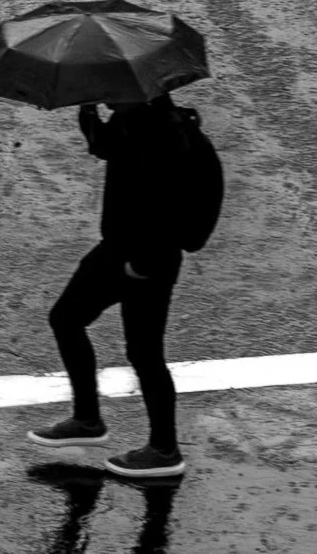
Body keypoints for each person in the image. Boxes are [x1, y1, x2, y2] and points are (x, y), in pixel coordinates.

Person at [28, 95, 194, 478]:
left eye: (110, 89)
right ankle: (91, 421)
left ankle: (161, 448)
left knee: (142, 352)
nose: (106, 94)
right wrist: (87, 111)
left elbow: (172, 203)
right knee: (72, 321)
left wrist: (143, 264)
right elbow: (104, 146)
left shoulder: (163, 132)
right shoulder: (134, 117)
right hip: (121, 250)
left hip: (144, 259)